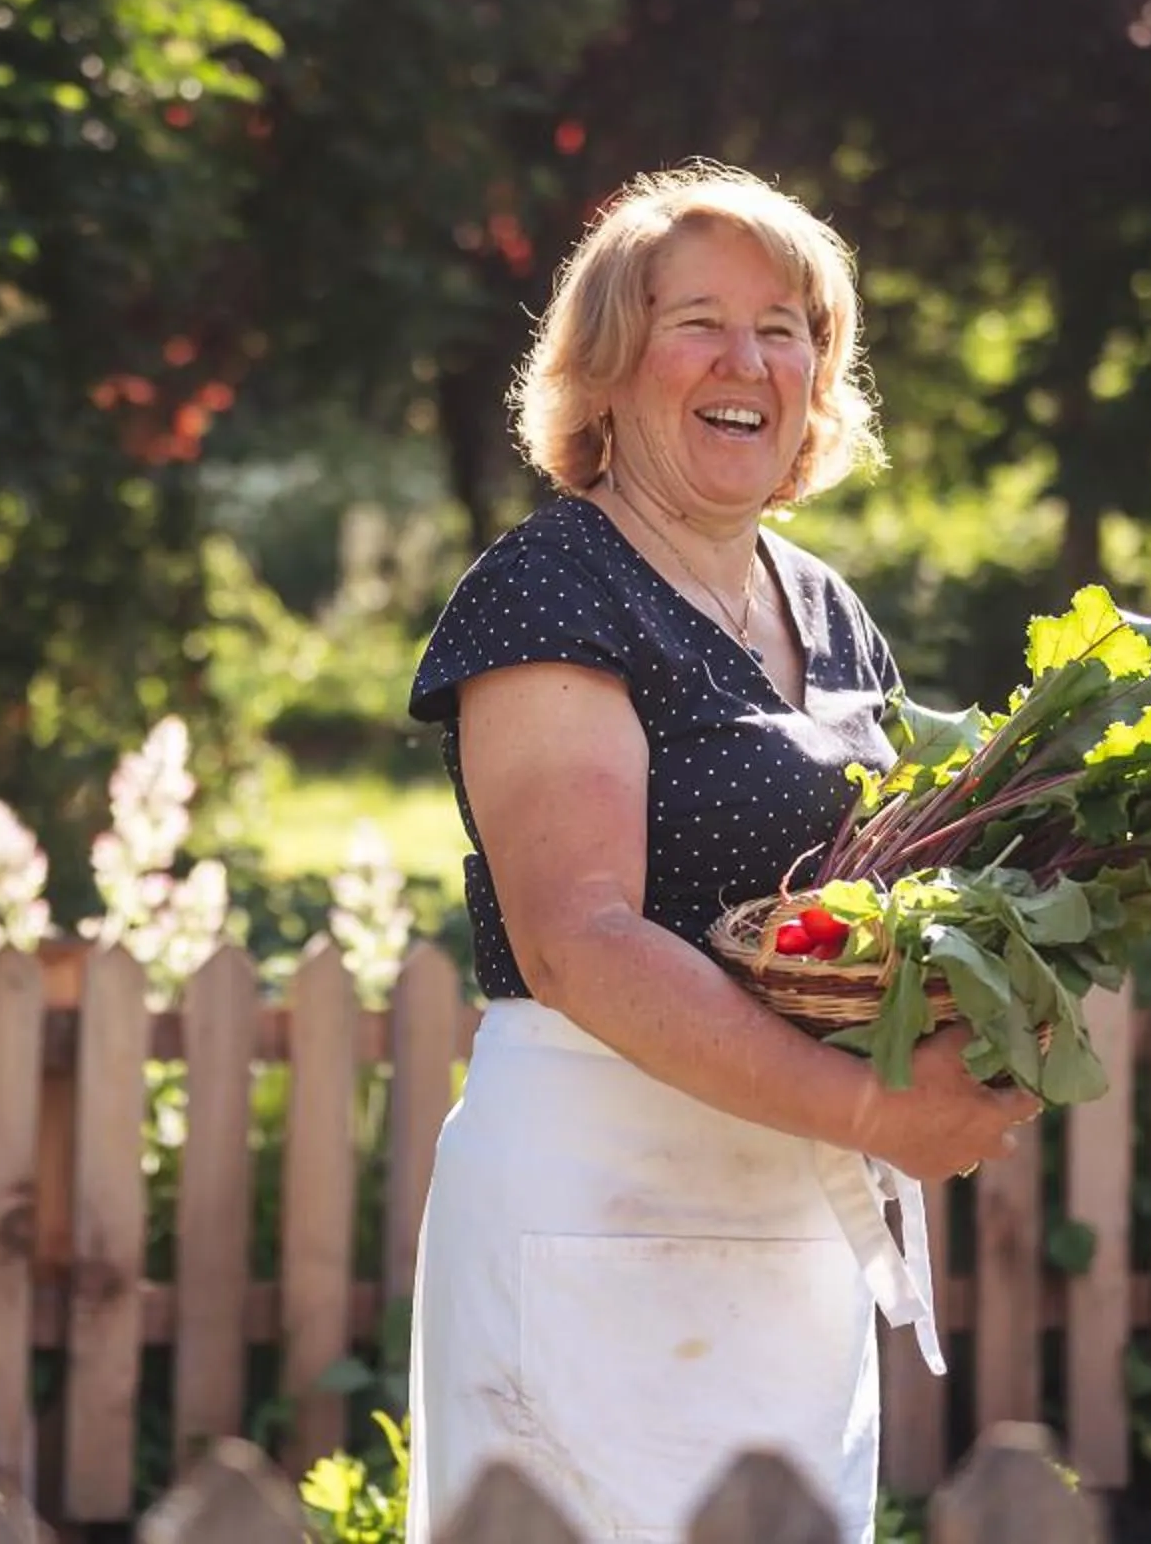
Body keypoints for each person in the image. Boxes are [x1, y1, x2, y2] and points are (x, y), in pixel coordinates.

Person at [402, 161, 1036, 1543]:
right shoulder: (548, 586)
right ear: (610, 373)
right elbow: (580, 939)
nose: (749, 359)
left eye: (787, 326)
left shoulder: (830, 612)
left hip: (789, 1225)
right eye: (699, 321)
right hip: (595, 1199)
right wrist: (878, 1113)